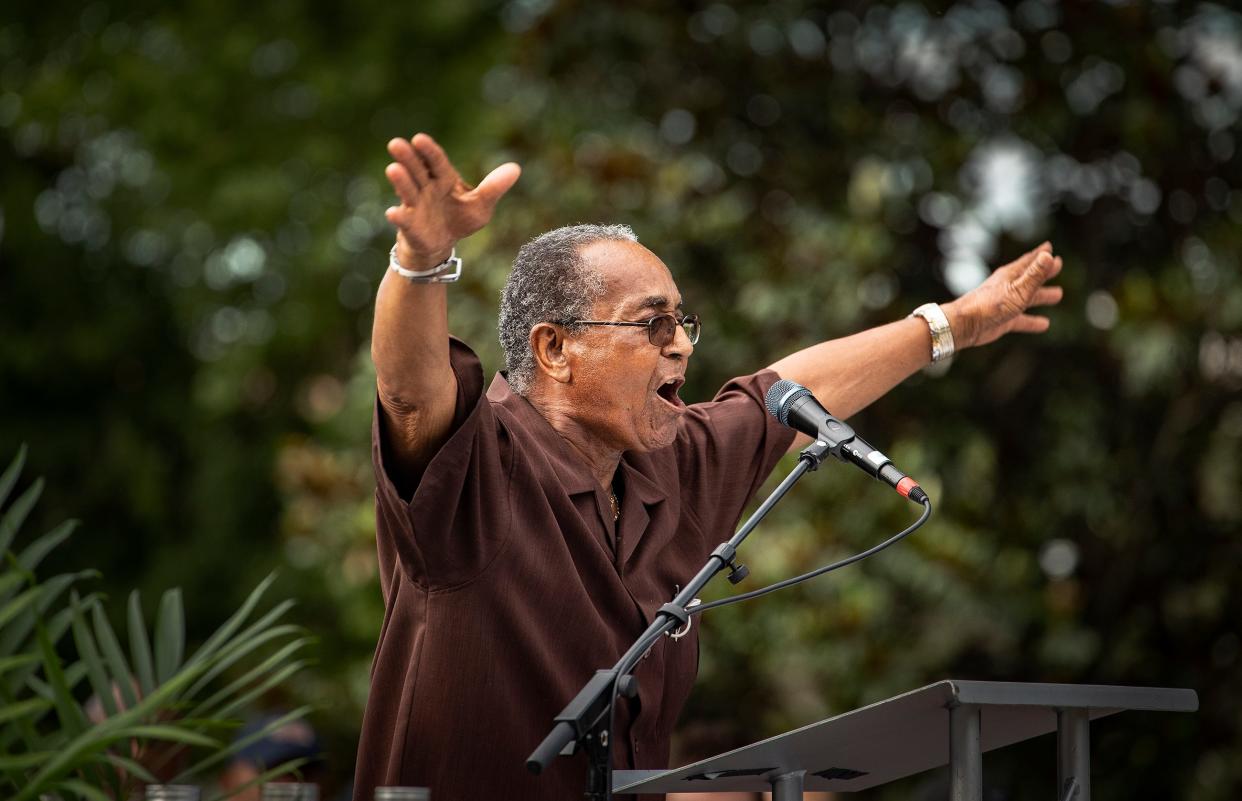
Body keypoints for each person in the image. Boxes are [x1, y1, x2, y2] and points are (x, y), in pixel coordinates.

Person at [353, 133, 1063, 801]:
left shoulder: (671, 464)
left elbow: (787, 392)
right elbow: (411, 392)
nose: (681, 347)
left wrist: (953, 324)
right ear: (555, 349)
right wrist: (420, 262)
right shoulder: (480, 463)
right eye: (652, 323)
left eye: (683, 323)